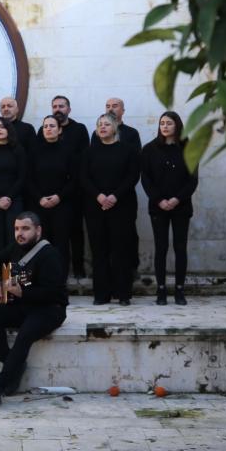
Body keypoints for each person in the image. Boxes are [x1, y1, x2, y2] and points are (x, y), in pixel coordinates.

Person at [0, 211, 68, 408]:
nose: (20, 233)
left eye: (25, 229)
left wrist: (22, 293)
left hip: (50, 310)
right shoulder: (16, 247)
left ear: (38, 231)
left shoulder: (49, 254)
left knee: (25, 334)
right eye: (17, 229)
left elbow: (54, 293)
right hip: (25, 306)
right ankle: (14, 365)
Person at [81, 113, 140, 306]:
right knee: (99, 251)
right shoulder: (89, 152)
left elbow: (132, 176)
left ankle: (123, 294)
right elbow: (84, 178)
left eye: (106, 124)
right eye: (99, 125)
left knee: (121, 250)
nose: (102, 127)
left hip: (122, 206)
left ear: (115, 128)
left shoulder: (128, 150)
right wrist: (99, 196)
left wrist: (115, 196)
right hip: (95, 207)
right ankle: (101, 294)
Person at [141, 112, 199, 306]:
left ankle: (180, 290)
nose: (165, 126)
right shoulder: (149, 149)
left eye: (169, 123)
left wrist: (176, 199)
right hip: (158, 208)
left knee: (180, 247)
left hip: (181, 207)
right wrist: (159, 200)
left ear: (177, 126)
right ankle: (161, 290)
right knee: (161, 248)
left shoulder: (189, 148)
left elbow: (192, 180)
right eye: (162, 123)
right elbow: (146, 179)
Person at [44, 95, 89, 277]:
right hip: (49, 193)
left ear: (68, 109)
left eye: (61, 106)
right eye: (54, 106)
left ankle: (78, 268)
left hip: (74, 190)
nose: (58, 109)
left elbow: (85, 159)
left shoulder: (79, 129)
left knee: (75, 232)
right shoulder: (44, 132)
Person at [26, 116, 77, 268]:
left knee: (61, 243)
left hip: (62, 204)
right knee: (40, 243)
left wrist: (59, 197)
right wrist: (40, 198)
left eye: (52, 126)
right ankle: (42, 279)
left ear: (59, 130)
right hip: (39, 205)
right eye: (45, 126)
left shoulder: (69, 150)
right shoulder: (34, 151)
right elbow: (28, 179)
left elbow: (74, 179)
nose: (48, 129)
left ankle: (60, 280)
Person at [0, 117, 27, 258]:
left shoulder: (18, 150)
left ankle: (12, 277)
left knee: (14, 240)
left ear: (8, 129)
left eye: (2, 126)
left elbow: (22, 177)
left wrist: (8, 197)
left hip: (14, 200)